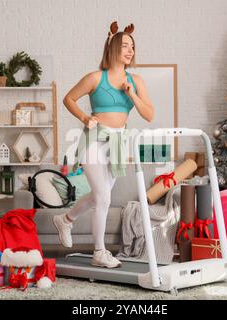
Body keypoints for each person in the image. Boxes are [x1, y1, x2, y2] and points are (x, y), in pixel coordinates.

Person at [53, 21, 154, 268]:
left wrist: (131, 93)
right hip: (94, 140)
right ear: (112, 48)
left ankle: (66, 219)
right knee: (104, 197)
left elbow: (149, 114)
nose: (130, 51)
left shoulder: (136, 80)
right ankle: (100, 252)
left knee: (100, 197)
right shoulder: (95, 77)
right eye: (125, 46)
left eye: (132, 47)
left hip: (118, 143)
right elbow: (69, 98)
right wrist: (85, 117)